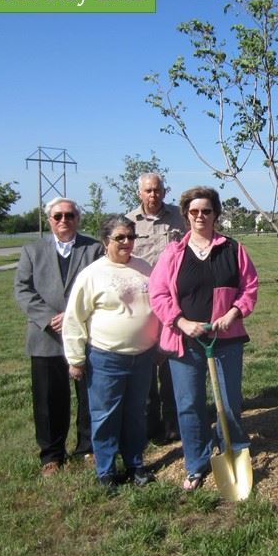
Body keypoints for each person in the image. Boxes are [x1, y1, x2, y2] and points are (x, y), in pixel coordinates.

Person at [148, 186, 258, 491]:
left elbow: (249, 287)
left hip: (226, 338)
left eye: (206, 211)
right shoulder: (173, 253)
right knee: (189, 404)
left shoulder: (233, 249)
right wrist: (181, 322)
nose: (200, 216)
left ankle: (233, 450)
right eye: (194, 211)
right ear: (186, 215)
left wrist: (234, 313)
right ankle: (195, 463)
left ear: (215, 214)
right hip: (185, 341)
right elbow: (157, 293)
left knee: (229, 402)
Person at [63, 215, 159, 491]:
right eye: (120, 238)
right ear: (106, 241)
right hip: (106, 357)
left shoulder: (144, 268)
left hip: (142, 356)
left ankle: (135, 464)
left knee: (135, 414)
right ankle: (105, 470)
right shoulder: (92, 274)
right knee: (106, 415)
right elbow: (74, 318)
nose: (127, 242)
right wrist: (75, 358)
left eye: (131, 237)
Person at [14, 197, 103, 477]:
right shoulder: (32, 250)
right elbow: (23, 290)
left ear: (78, 218)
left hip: (86, 334)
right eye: (57, 216)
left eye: (69, 215)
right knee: (49, 399)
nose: (63, 221)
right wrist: (47, 318)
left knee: (89, 397)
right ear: (49, 220)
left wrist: (72, 316)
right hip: (45, 337)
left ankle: (88, 448)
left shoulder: (94, 249)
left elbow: (101, 285)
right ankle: (51, 455)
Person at [126, 171, 184, 445]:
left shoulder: (178, 217)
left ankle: (174, 423)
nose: (153, 195)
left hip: (174, 301)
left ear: (164, 191)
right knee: (147, 365)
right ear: (140, 193)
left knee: (172, 365)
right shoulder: (129, 221)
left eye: (158, 190)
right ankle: (151, 424)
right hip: (144, 303)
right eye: (148, 190)